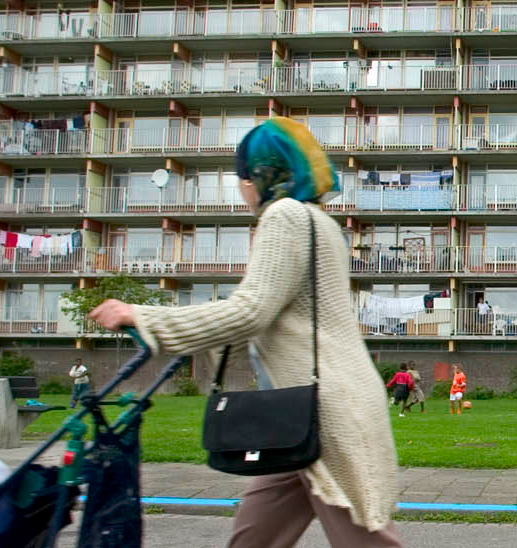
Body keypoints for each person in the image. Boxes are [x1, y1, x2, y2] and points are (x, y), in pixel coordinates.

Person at [88, 117, 402, 548]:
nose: (241, 190)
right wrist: (212, 344)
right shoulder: (321, 222)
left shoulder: (285, 216)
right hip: (292, 417)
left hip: (324, 414)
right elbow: (268, 315)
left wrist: (143, 318)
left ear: (259, 175)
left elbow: (251, 311)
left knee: (367, 541)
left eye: (241, 179)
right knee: (251, 539)